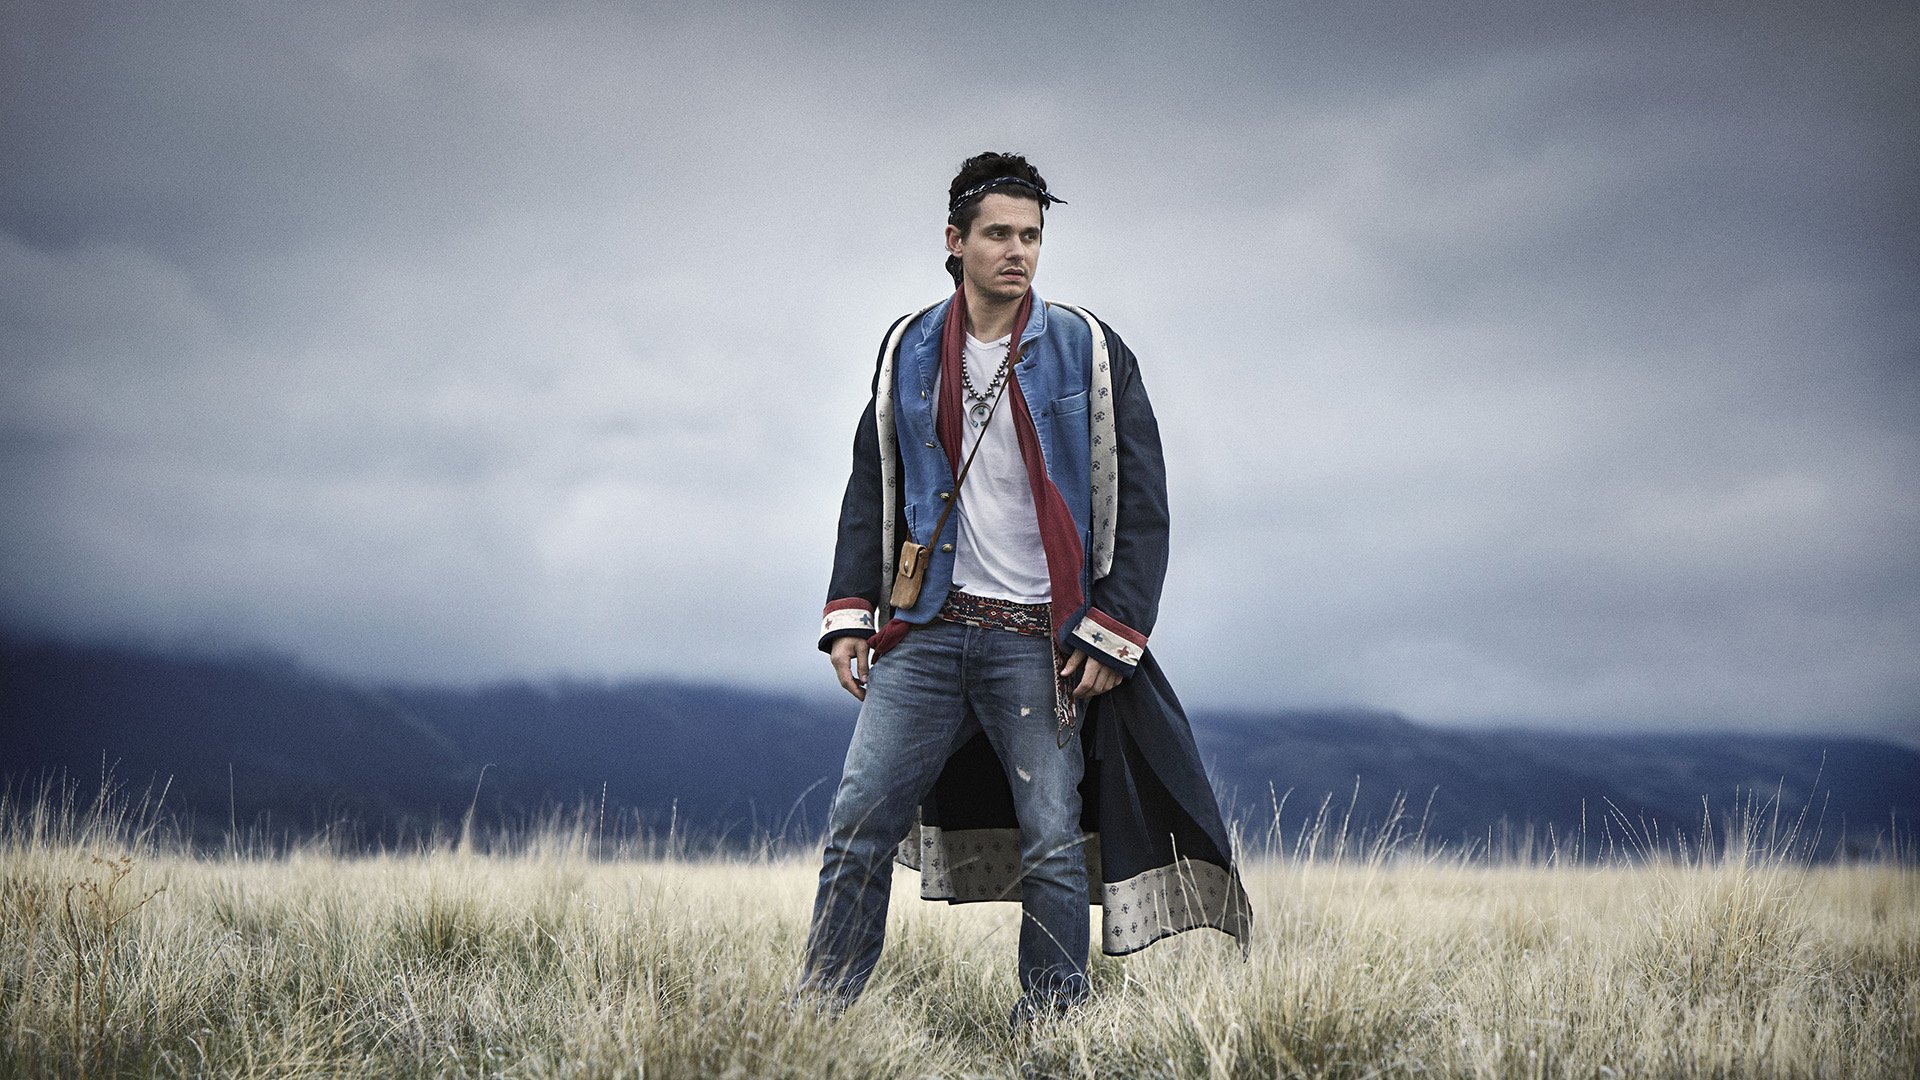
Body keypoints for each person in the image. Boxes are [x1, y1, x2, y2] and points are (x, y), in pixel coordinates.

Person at [800, 152, 1251, 1023]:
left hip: (1035, 640)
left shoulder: (1086, 347)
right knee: (856, 825)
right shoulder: (908, 346)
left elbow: (1146, 500)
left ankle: (1051, 1021)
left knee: (1053, 843)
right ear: (954, 241)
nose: (1018, 251)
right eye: (999, 233)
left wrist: (1115, 630)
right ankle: (820, 1012)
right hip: (925, 635)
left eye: (1032, 235)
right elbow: (873, 486)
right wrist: (852, 614)